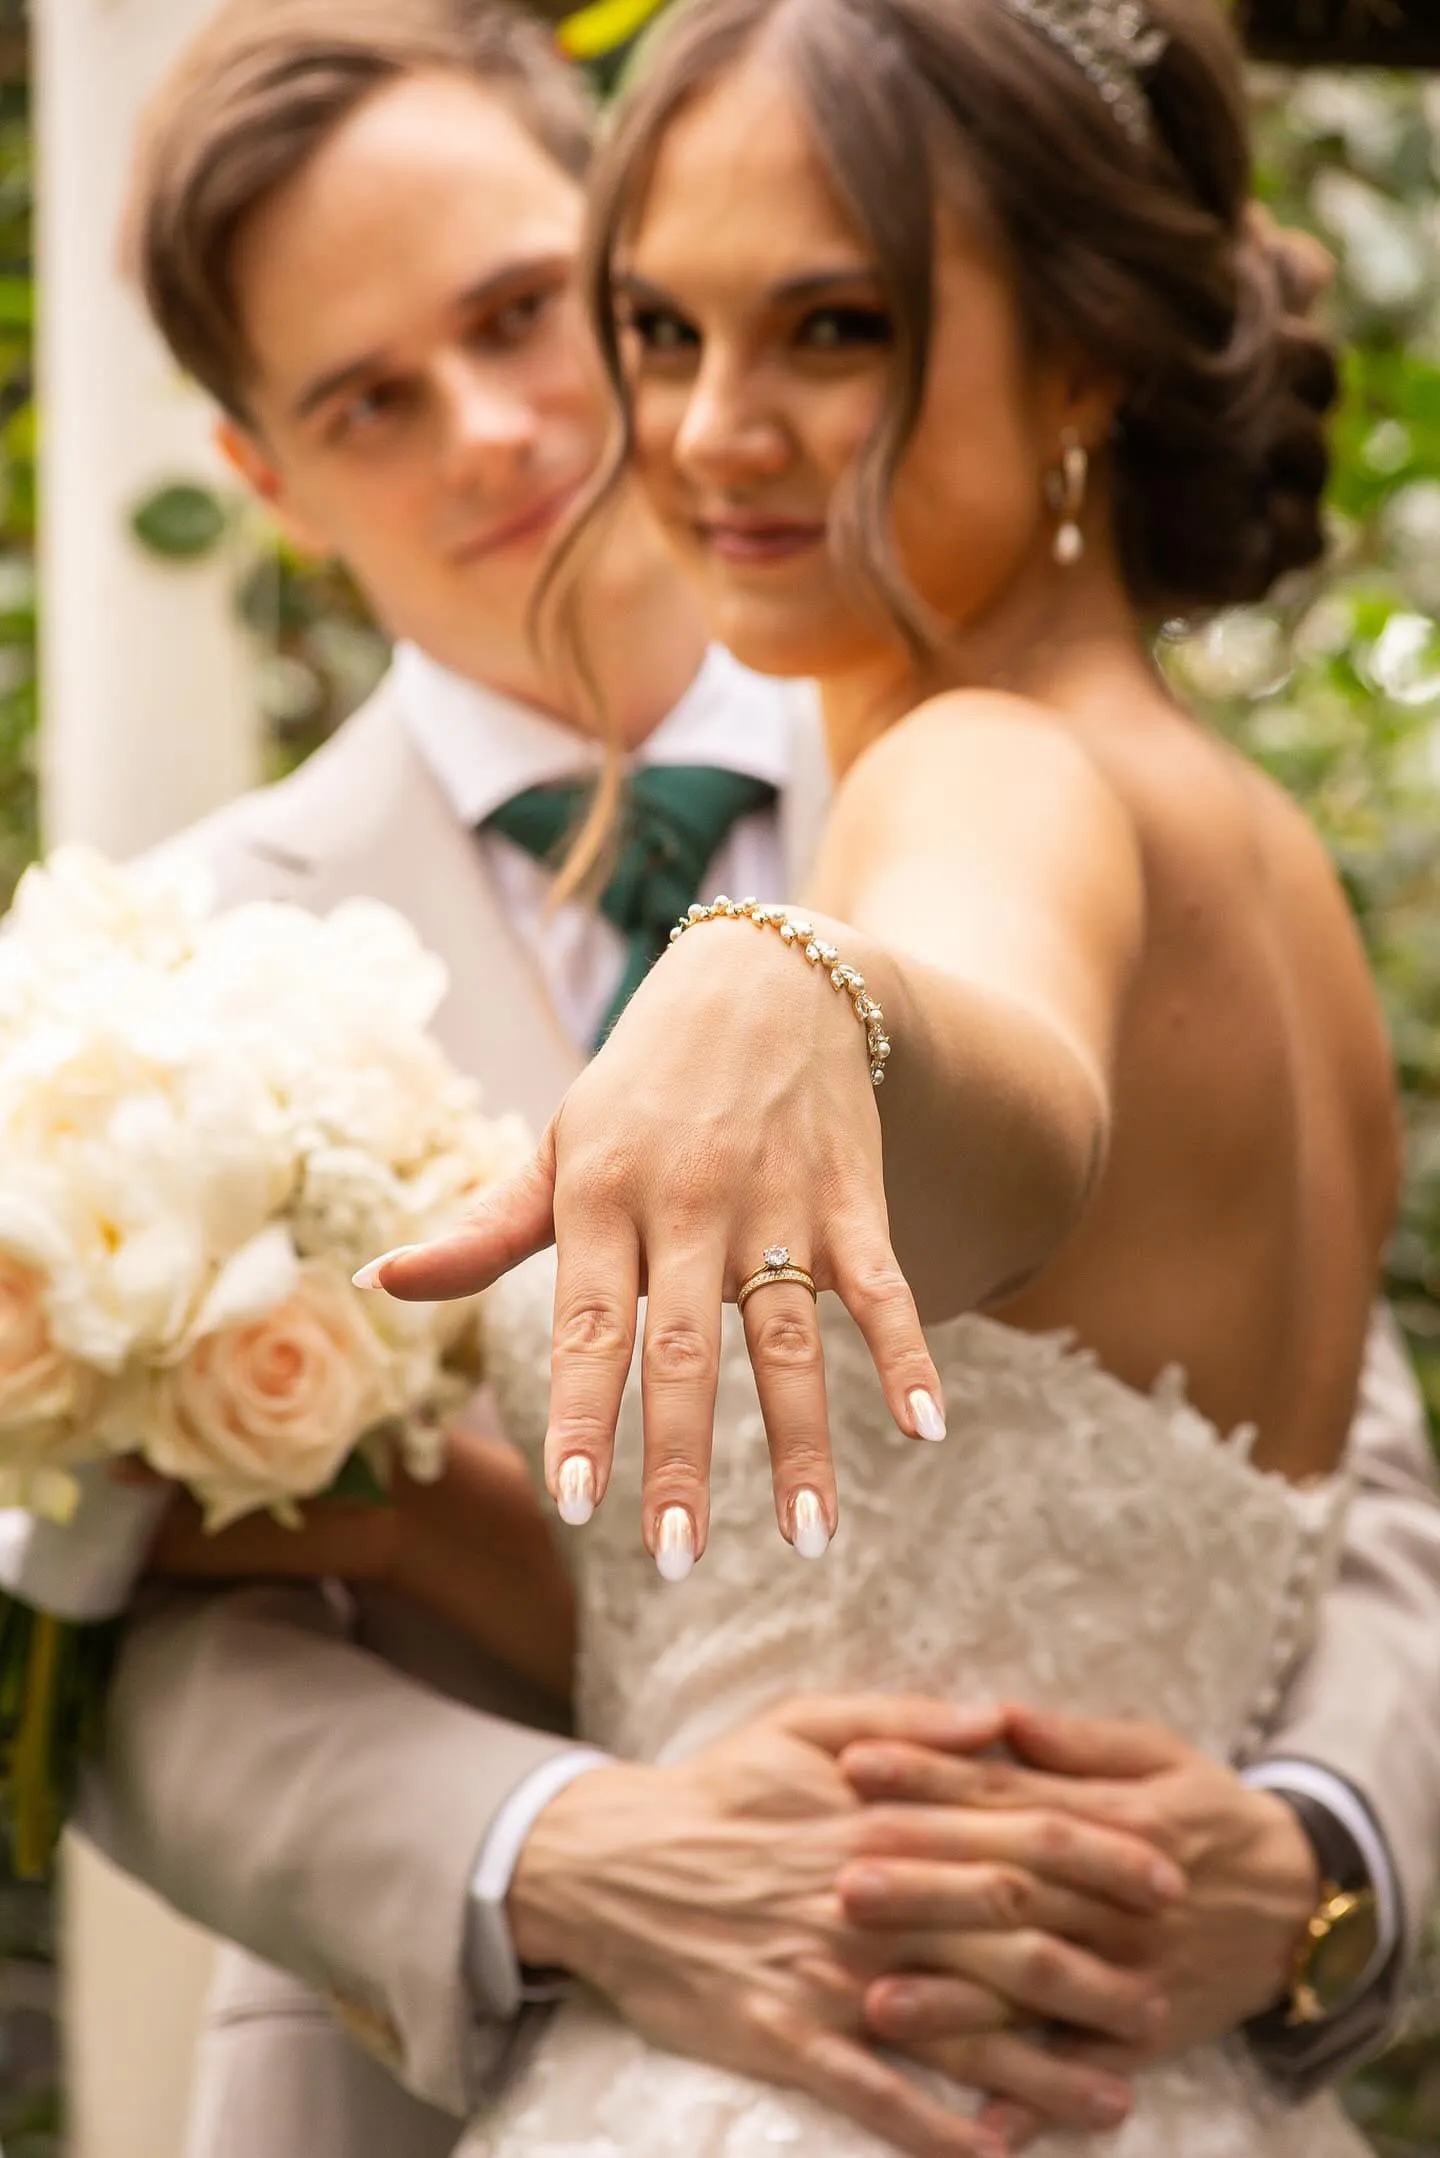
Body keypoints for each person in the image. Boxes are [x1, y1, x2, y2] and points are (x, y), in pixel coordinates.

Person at [0, 3, 1431, 2155]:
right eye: (662, 328)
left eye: (828, 324)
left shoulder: (977, 764)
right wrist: (387, 1531)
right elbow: (848, 1532)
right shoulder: (168, 953)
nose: (697, 424)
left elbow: (1007, 1073)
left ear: (1086, 350)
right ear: (267, 475)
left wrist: (797, 987)